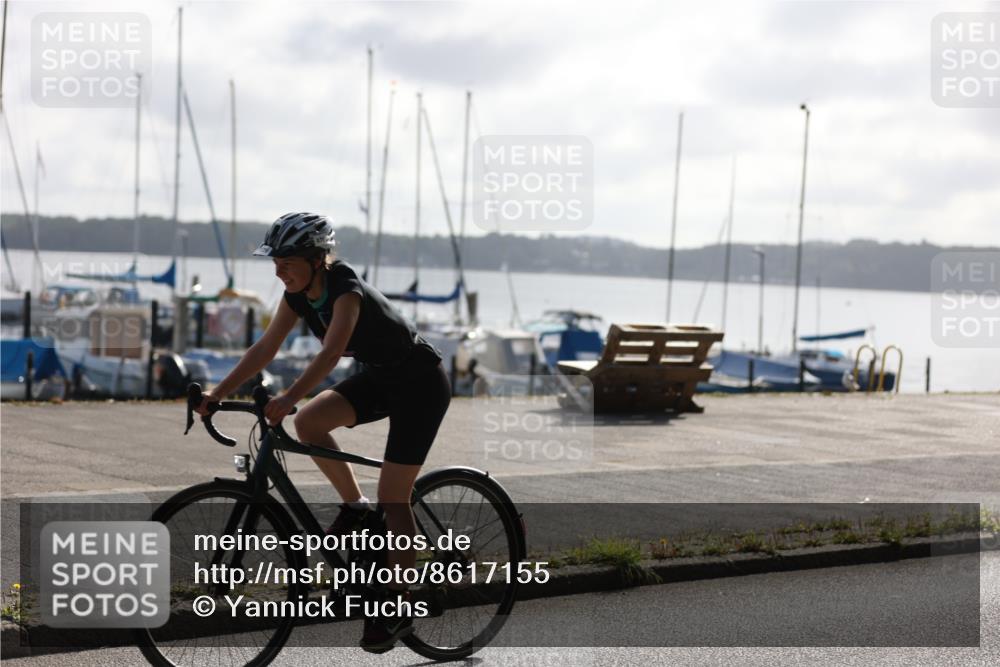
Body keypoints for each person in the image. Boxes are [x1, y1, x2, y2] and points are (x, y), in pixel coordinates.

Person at [195, 212, 451, 653]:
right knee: (308, 422)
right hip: (380, 377)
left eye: (287, 263)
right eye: (275, 263)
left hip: (420, 384)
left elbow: (332, 353)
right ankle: (355, 506)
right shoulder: (296, 295)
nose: (279, 272)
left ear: (317, 259)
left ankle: (398, 604)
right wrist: (217, 393)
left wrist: (288, 393)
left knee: (396, 498)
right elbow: (266, 347)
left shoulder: (345, 288)